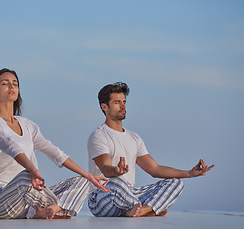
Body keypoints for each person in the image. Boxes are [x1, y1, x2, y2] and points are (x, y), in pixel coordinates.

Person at [0, 68, 110, 220]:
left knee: (83, 181)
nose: (12, 87)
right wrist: (33, 170)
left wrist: (88, 175)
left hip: (28, 200)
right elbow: (12, 147)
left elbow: (55, 153)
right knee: (25, 177)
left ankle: (43, 210)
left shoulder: (28, 125)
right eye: (5, 83)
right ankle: (49, 208)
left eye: (15, 84)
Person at [87, 82, 214, 217]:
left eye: (124, 101)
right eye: (117, 102)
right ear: (104, 107)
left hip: (130, 195)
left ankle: (142, 210)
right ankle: (150, 208)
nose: (123, 106)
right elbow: (105, 168)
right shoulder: (99, 135)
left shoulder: (134, 137)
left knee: (175, 183)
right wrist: (116, 171)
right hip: (103, 196)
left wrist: (189, 173)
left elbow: (154, 169)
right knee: (116, 182)